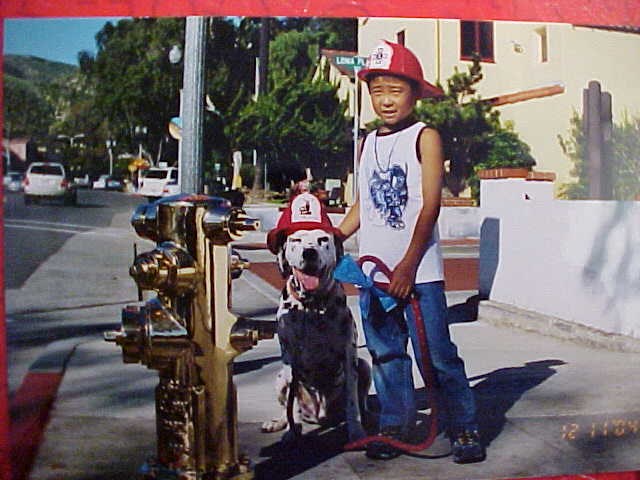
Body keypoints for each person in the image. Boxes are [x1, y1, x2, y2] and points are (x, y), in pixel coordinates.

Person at [338, 40, 486, 464]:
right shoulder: (367, 143)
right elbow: (364, 203)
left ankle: (464, 427)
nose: (386, 100)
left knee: (436, 354)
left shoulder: (425, 137)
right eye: (378, 90)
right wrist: (335, 234)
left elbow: (430, 204)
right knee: (385, 354)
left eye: (396, 90)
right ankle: (396, 425)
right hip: (375, 273)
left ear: (415, 93)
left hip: (417, 274)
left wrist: (407, 265)